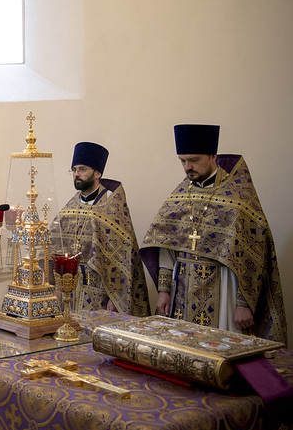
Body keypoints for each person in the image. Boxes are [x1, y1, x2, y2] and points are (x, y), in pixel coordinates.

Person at [141, 124, 287, 343]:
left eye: (193, 160)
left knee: (221, 352)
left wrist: (243, 304)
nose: (187, 167)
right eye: (182, 161)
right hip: (182, 292)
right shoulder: (179, 196)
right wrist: (163, 291)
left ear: (212, 156)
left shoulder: (238, 197)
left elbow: (252, 256)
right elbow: (167, 247)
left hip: (224, 291)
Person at [51, 142, 149, 317]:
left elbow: (124, 258)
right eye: (73, 170)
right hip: (70, 290)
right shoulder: (67, 211)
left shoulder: (112, 208)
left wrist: (116, 297)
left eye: (82, 169)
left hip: (101, 293)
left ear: (98, 173)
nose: (76, 174)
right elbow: (55, 249)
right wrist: (57, 288)